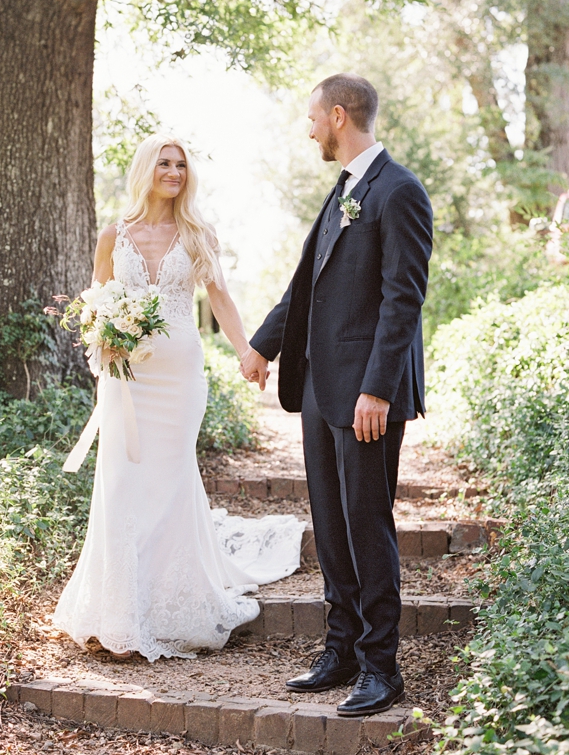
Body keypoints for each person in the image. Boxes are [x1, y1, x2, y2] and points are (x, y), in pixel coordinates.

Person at [51, 139, 304, 661]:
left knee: (167, 480)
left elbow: (221, 299)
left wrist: (247, 353)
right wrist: (103, 336)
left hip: (180, 376)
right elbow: (94, 303)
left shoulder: (197, 234)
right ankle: (120, 611)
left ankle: (169, 605)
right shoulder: (112, 236)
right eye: (164, 164)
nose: (173, 172)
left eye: (181, 165)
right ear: (146, 170)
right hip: (127, 379)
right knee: (122, 482)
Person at [242, 73, 432, 718]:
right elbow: (307, 286)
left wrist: (378, 388)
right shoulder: (343, 191)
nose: (309, 127)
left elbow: (403, 299)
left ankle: (382, 666)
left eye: (313, 116)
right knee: (330, 522)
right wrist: (264, 346)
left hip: (366, 397)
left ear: (339, 115)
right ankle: (342, 647)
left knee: (365, 523)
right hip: (322, 389)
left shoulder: (398, 191)